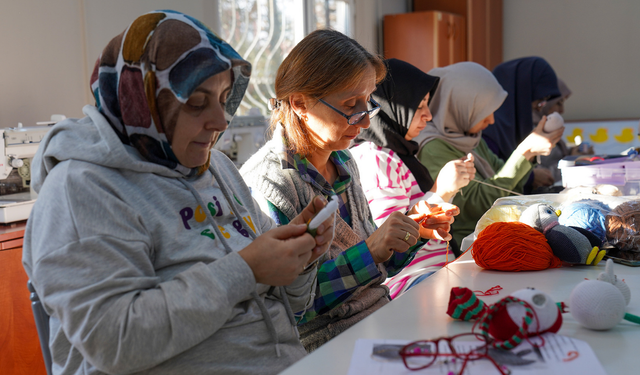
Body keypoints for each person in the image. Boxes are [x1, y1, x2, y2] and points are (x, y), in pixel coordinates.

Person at [22, 11, 334, 375]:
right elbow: (116, 343)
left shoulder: (217, 169)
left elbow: (290, 305)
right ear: (143, 102)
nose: (220, 121)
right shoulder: (82, 190)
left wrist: (300, 255)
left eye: (222, 98)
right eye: (197, 103)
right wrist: (246, 269)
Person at [240, 30, 456, 351]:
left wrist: (411, 233)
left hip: (375, 318)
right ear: (300, 103)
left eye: (367, 102)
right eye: (350, 104)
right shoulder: (269, 185)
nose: (365, 122)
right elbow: (291, 307)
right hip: (322, 345)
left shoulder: (344, 162)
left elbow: (373, 272)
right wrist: (369, 250)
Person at [350, 59, 473, 297]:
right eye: (419, 106)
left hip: (432, 272)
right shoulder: (378, 160)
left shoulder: (399, 155)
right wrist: (443, 191)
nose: (428, 115)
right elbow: (392, 247)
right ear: (389, 106)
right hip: (412, 281)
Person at [417, 62, 563, 247]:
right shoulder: (433, 147)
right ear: (460, 106)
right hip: (469, 246)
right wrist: (524, 153)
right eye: (482, 112)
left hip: (493, 235)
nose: (491, 120)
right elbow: (475, 205)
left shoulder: (469, 138)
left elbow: (502, 177)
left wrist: (529, 153)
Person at [482, 56, 562, 191]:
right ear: (521, 95)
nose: (539, 108)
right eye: (540, 101)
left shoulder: (511, 126)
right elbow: (490, 185)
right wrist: (530, 177)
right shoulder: (487, 129)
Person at [538, 78, 593, 182]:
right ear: (544, 101)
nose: (562, 110)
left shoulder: (544, 127)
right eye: (558, 103)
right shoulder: (534, 133)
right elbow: (541, 177)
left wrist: (574, 153)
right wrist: (572, 160)